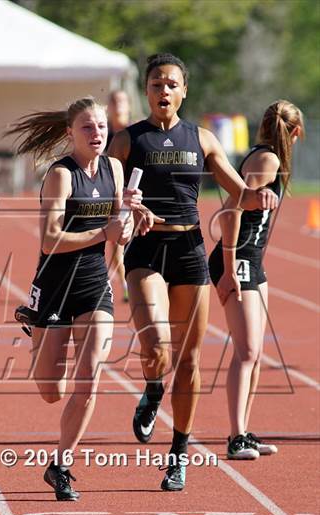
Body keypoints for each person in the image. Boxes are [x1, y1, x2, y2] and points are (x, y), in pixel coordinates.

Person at [108, 53, 278, 492]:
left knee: (188, 362)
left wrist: (258, 198)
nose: (163, 91)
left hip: (188, 250)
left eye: (171, 84)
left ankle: (178, 457)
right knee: (157, 348)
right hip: (146, 249)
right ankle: (151, 388)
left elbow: (237, 190)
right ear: (145, 91)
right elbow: (104, 192)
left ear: (184, 91)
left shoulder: (201, 139)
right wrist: (126, 208)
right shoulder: (127, 141)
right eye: (155, 84)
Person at [8, 97, 135, 501]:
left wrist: (131, 221)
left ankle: (60, 465)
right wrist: (105, 233)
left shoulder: (115, 169)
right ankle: (35, 328)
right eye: (87, 127)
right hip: (55, 284)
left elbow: (121, 229)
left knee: (89, 380)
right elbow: (50, 239)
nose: (96, 133)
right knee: (51, 390)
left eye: (100, 126)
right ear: (70, 133)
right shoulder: (60, 176)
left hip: (94, 284)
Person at [208, 100, 304, 460]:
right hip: (238, 258)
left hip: (252, 260)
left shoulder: (270, 161)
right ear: (294, 134)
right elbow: (231, 212)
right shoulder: (267, 161)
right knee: (246, 351)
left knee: (257, 352)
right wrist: (230, 269)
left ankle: (244, 433)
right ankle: (235, 438)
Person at [106, 90, 132, 302]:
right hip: (110, 194)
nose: (118, 105)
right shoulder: (101, 131)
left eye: (121, 101)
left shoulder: (133, 131)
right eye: (114, 101)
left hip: (133, 193)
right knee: (116, 241)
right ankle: (124, 283)